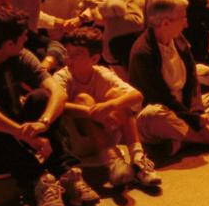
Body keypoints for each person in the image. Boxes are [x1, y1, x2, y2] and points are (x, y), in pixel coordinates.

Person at [0, 13, 96, 206]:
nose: (27, 40)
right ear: (9, 44)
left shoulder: (20, 56)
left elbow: (57, 93)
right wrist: (21, 133)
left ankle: (65, 173)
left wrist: (42, 122)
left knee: (41, 98)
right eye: (22, 37)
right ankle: (40, 180)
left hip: (17, 136)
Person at [130, 0, 209, 156]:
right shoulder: (143, 52)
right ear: (165, 23)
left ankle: (182, 142)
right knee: (154, 114)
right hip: (166, 112)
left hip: (187, 110)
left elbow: (192, 83)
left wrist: (199, 114)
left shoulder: (179, 40)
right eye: (183, 18)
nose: (186, 24)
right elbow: (161, 98)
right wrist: (200, 125)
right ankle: (208, 138)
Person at [53, 26, 159, 192]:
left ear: (94, 59)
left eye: (76, 55)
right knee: (83, 99)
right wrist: (93, 112)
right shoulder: (62, 76)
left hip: (107, 130)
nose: (69, 59)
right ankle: (111, 159)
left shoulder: (102, 73)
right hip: (79, 141)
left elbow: (137, 95)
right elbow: (57, 104)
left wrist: (109, 106)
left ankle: (138, 158)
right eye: (68, 53)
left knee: (117, 95)